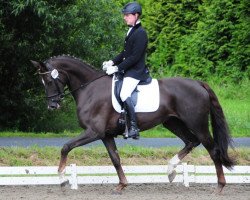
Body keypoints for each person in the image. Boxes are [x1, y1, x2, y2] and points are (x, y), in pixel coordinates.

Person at [103, 2, 150, 139]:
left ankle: (134, 127)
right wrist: (112, 61)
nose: (125, 18)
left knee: (124, 94)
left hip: (136, 71)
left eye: (127, 15)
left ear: (136, 15)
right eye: (125, 15)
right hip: (128, 70)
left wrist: (117, 68)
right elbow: (125, 53)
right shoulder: (132, 30)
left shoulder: (141, 33)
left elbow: (134, 57)